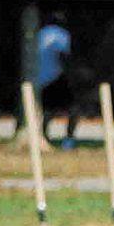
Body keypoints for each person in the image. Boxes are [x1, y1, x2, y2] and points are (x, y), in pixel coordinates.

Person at [31, 15, 75, 145]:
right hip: (57, 75)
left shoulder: (39, 34)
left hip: (40, 78)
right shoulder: (62, 35)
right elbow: (63, 56)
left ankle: (44, 136)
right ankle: (69, 139)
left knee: (47, 110)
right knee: (73, 109)